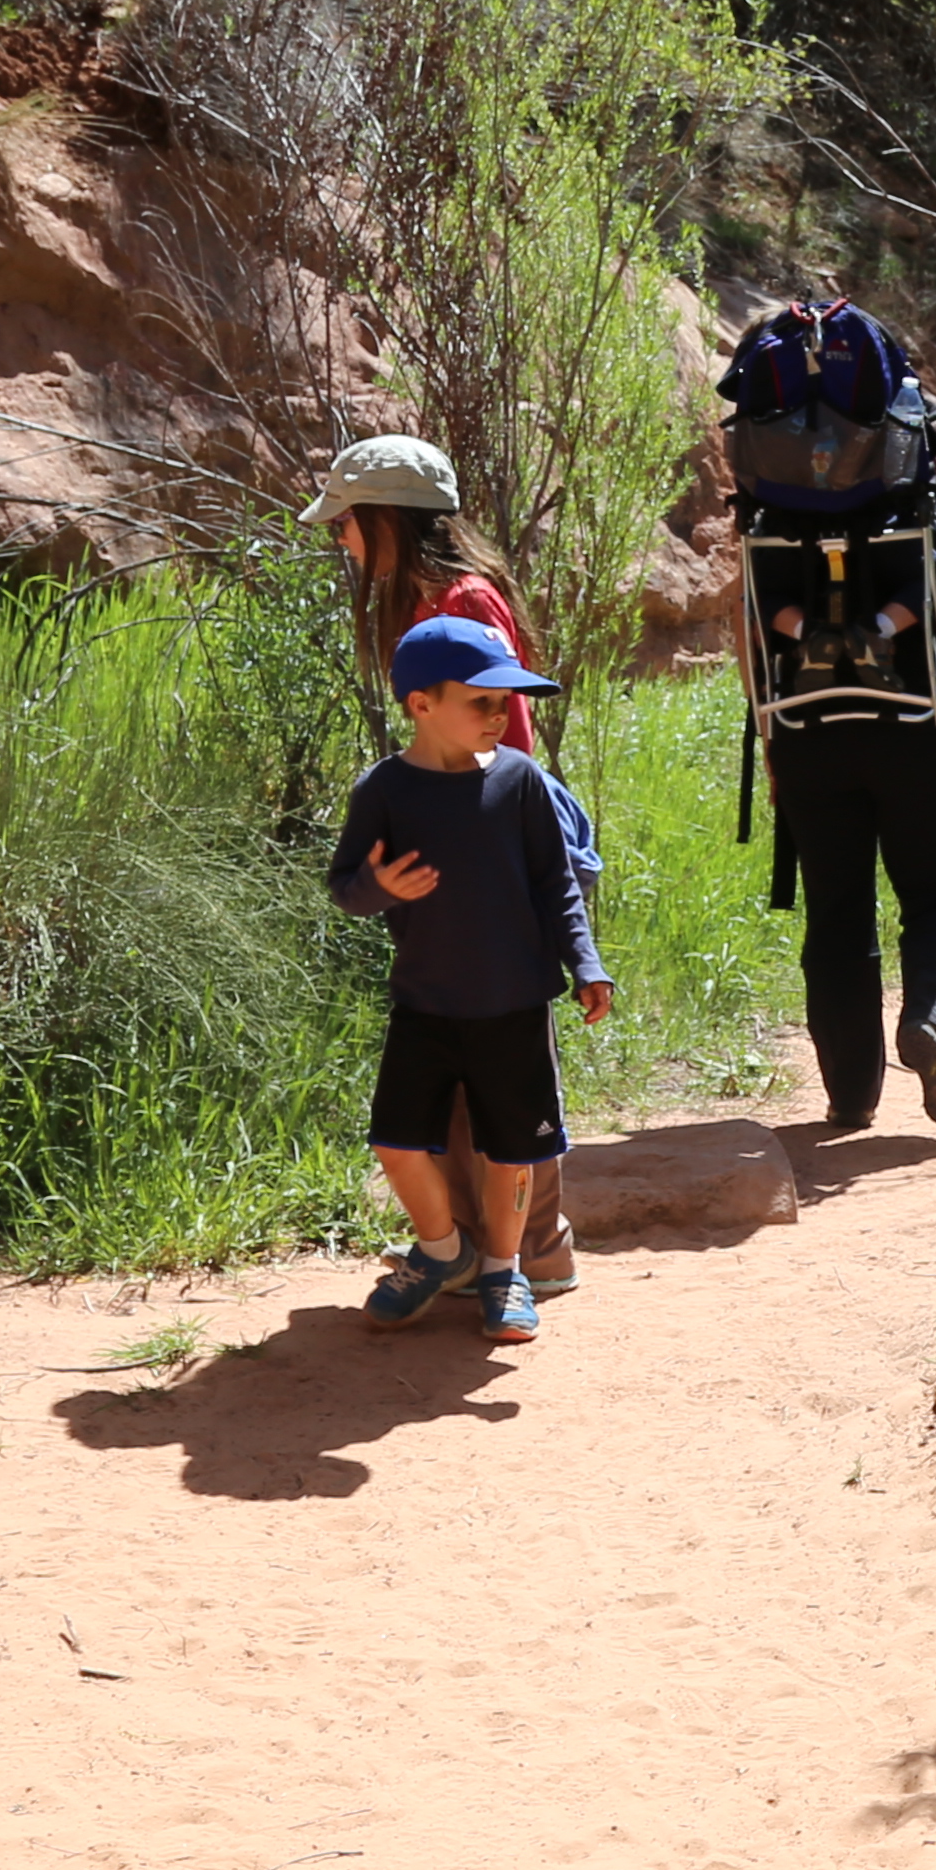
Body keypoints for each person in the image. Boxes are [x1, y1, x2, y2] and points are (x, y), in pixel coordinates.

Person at [306, 433, 594, 1295]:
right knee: (474, 1074)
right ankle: (484, 1253)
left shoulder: (456, 602)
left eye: (345, 524)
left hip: (503, 852)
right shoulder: (439, 597)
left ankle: (529, 1258)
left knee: (503, 1070)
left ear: (383, 517)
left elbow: (502, 744)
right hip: (477, 849)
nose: (341, 543)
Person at [723, 305, 936, 1137]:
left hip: (809, 732)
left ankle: (850, 1095)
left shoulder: (765, 520)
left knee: (837, 911)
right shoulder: (929, 510)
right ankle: (930, 1022)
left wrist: (775, 739)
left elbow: (749, 635)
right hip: (921, 727)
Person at [327, 614, 614, 1344]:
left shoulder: (520, 781)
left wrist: (586, 963)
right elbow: (345, 889)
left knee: (513, 1149)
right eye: (480, 701)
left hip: (515, 1002)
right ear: (420, 705)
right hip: (425, 1000)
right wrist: (380, 884)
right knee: (397, 1141)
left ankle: (503, 1271)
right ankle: (439, 1252)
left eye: (504, 702)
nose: (498, 715)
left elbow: (557, 884)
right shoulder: (386, 790)